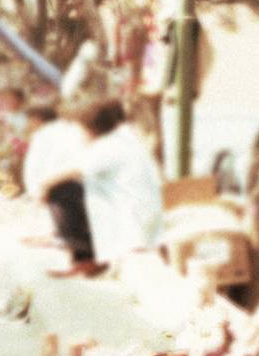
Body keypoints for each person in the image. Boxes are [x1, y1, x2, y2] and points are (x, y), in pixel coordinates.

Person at [76, 98, 163, 269]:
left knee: (137, 256)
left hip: (133, 213)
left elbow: (76, 169)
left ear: (91, 128)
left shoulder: (108, 146)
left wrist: (45, 185)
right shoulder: (122, 139)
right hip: (141, 209)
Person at [22, 105, 99, 277]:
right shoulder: (51, 133)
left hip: (81, 190)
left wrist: (45, 185)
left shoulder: (60, 132)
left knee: (61, 191)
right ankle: (67, 241)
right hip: (74, 187)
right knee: (58, 192)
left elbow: (72, 165)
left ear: (36, 119)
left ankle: (85, 255)